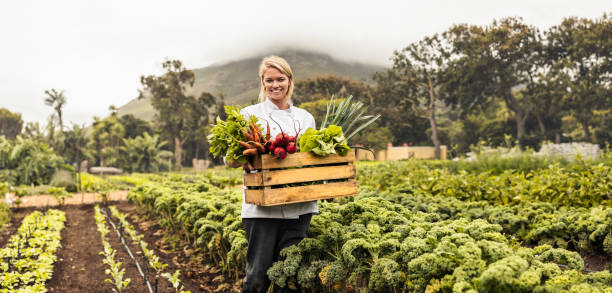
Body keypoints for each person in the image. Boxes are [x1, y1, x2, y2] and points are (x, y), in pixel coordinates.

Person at [227, 56, 317, 293]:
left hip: (300, 207)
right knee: (257, 277)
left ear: (290, 81)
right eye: (269, 80)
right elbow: (229, 159)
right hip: (261, 209)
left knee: (287, 278)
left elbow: (312, 160)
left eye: (281, 79)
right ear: (262, 82)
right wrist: (244, 158)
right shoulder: (248, 115)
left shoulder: (305, 118)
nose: (275, 85)